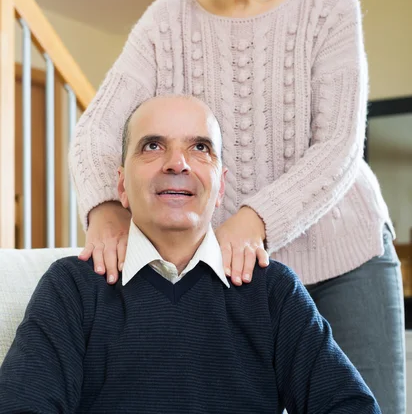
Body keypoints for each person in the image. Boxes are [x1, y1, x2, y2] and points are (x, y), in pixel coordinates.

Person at [69, 0, 405, 413]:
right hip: (236, 274)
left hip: (343, 262)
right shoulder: (165, 21)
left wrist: (254, 219)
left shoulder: (330, 1)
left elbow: (340, 146)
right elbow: (97, 129)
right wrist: (103, 211)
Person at [0, 95, 381, 413]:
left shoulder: (272, 291)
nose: (176, 163)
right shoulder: (73, 287)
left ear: (219, 187)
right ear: (122, 186)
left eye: (199, 147)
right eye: (153, 146)